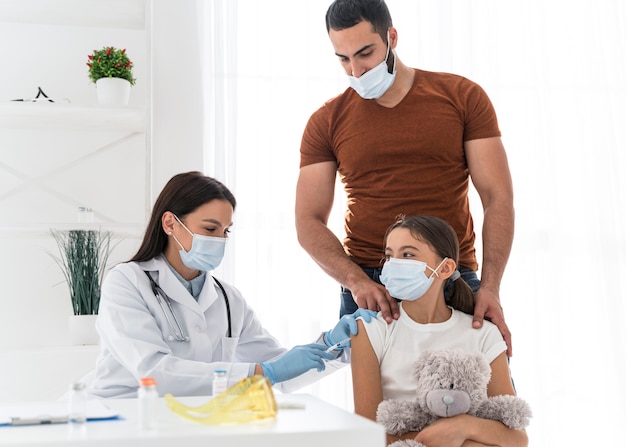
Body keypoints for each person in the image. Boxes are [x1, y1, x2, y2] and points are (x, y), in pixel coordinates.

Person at [295, 0, 515, 356]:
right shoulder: (327, 121)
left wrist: (490, 287)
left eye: (365, 53)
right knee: (379, 411)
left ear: (392, 37)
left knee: (486, 404)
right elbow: (307, 220)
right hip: (371, 285)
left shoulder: (461, 96)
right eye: (343, 59)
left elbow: (497, 197)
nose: (356, 70)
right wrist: (355, 281)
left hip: (451, 276)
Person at [89, 171, 375, 398]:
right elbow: (155, 373)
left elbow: (280, 369)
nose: (220, 240)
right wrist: (267, 372)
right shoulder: (127, 282)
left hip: (189, 422)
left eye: (226, 231)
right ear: (170, 223)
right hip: (122, 419)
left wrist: (333, 345)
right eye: (210, 229)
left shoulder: (227, 299)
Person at [351, 215, 527, 446]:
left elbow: (517, 437)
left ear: (445, 268)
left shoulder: (484, 334)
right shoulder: (370, 330)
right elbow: (368, 433)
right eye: (389, 255)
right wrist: (457, 438)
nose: (393, 264)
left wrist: (462, 425)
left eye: (408, 255)